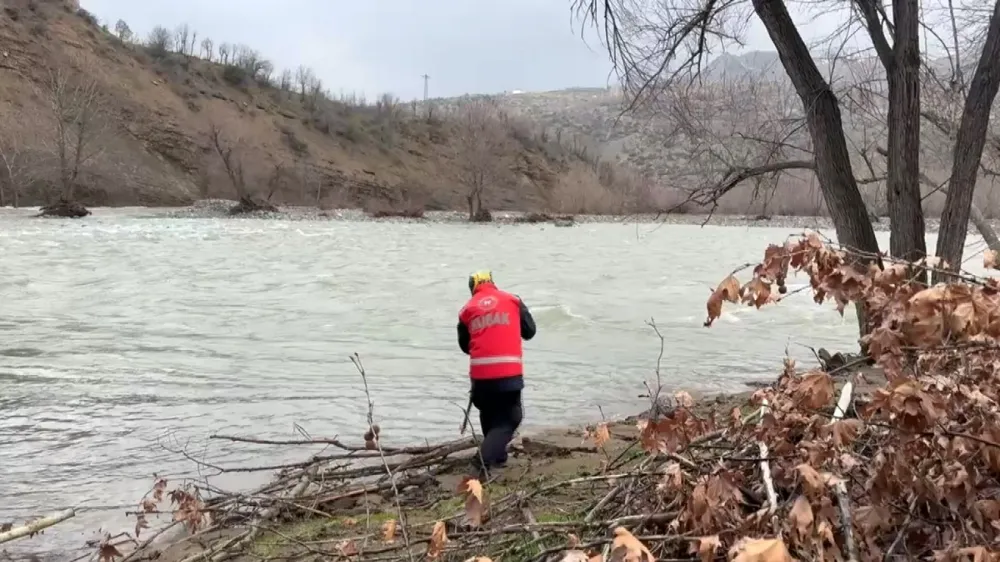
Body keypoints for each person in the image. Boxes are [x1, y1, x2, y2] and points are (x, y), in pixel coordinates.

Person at [457, 270, 536, 479]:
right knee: (511, 418)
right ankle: (481, 462)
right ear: (492, 282)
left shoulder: (466, 310)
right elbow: (530, 331)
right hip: (508, 374)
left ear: (473, 288)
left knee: (489, 413)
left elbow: (465, 346)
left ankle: (498, 457)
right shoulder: (513, 301)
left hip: (480, 377)